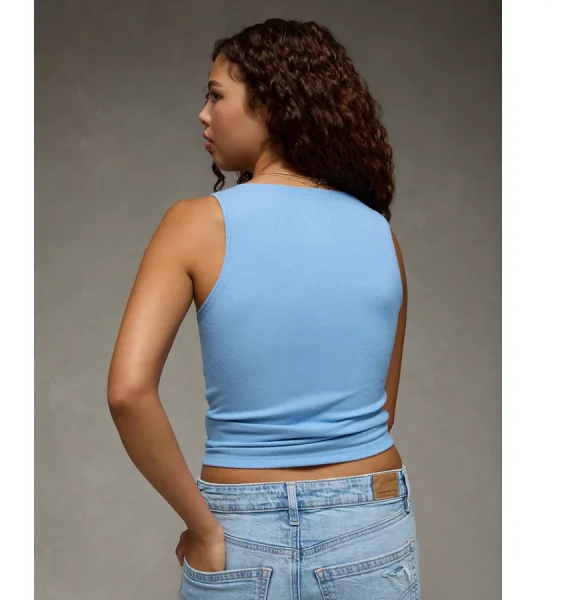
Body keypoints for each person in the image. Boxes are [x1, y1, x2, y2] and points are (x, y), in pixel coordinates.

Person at [108, 17, 421, 599]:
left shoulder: (194, 224)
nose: (203, 114)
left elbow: (128, 392)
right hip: (370, 518)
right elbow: (380, 408)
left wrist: (203, 527)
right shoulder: (381, 234)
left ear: (272, 104)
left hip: (238, 529)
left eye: (216, 96)